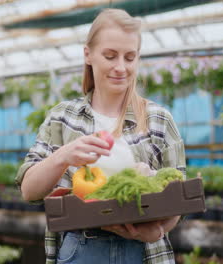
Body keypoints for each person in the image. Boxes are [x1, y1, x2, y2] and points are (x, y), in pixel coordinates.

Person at [16, 8, 186, 264]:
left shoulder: (158, 119)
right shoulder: (63, 117)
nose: (121, 67)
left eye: (130, 58)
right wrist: (64, 156)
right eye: (110, 56)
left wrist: (157, 230)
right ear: (88, 54)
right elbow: (29, 191)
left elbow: (179, 195)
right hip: (82, 249)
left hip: (144, 253)